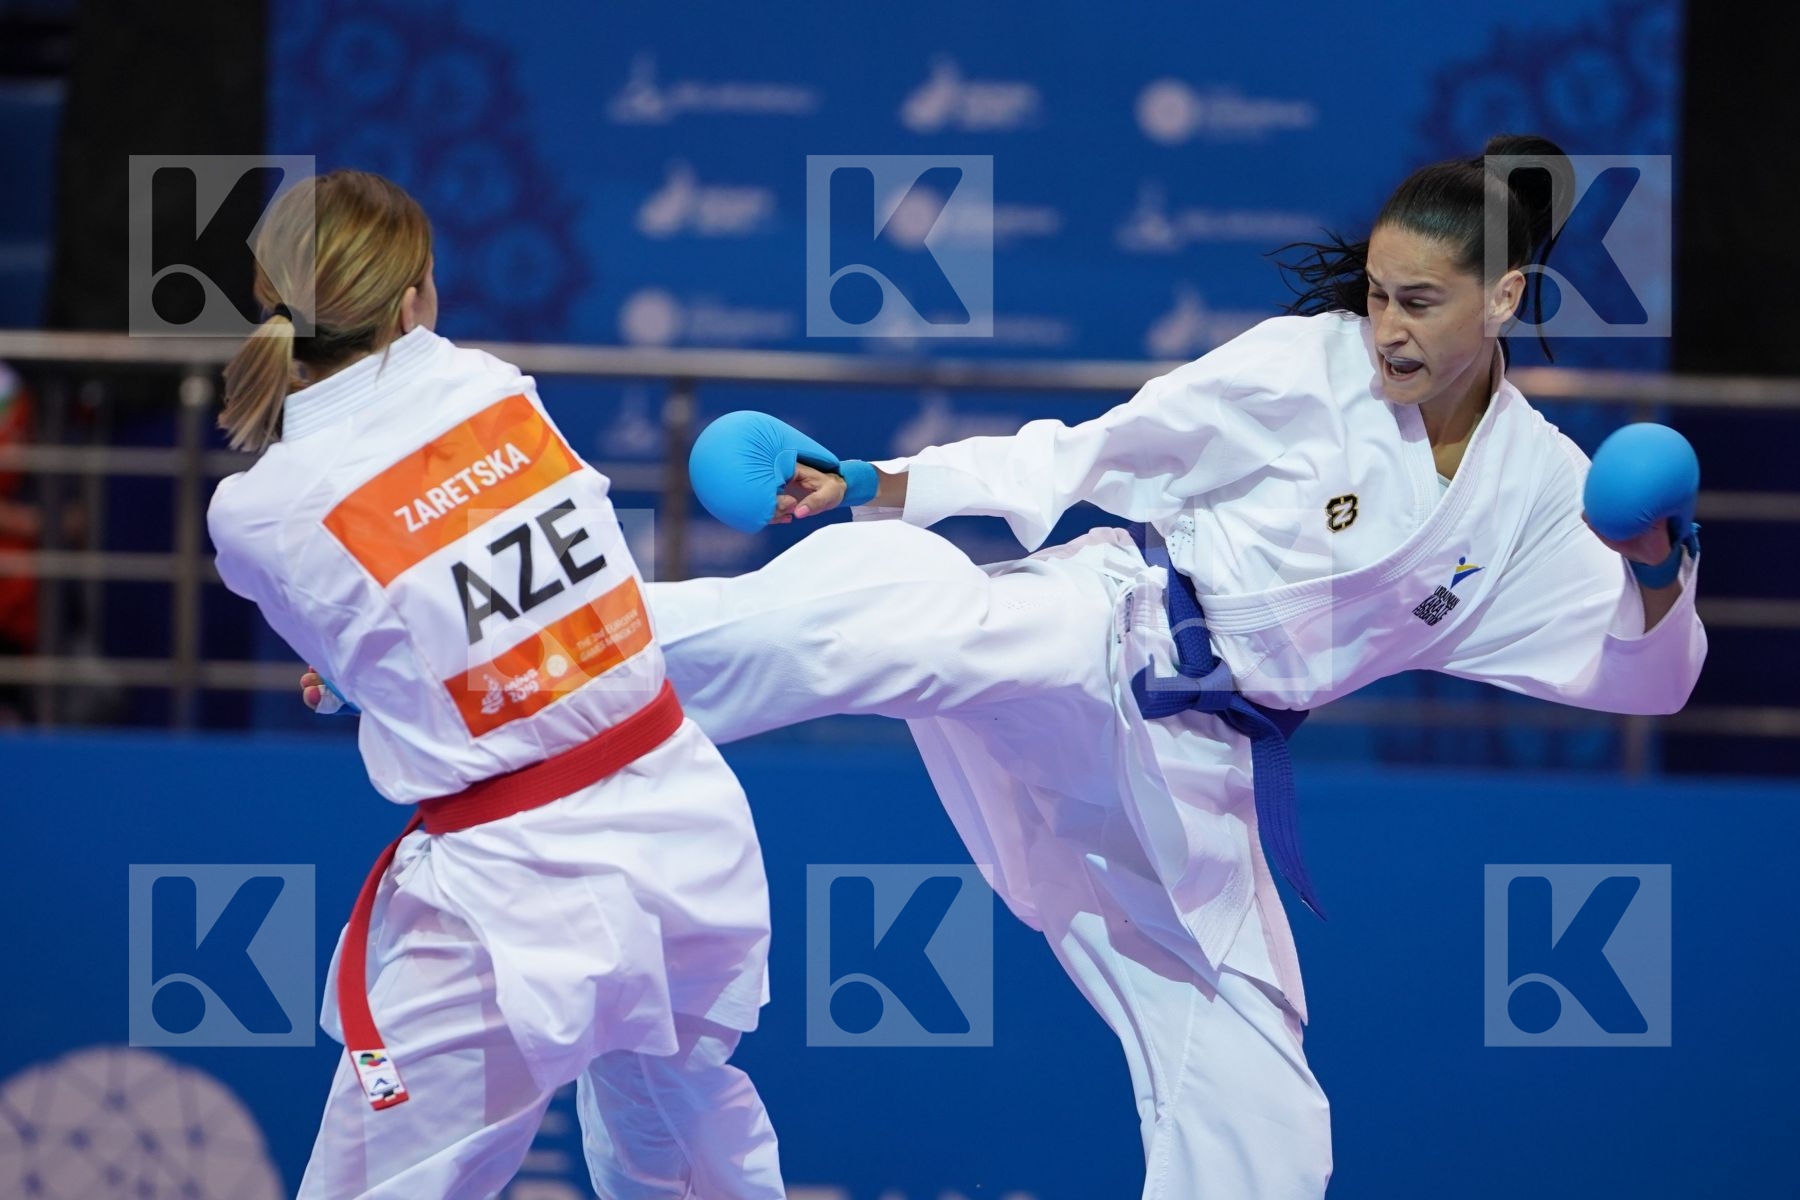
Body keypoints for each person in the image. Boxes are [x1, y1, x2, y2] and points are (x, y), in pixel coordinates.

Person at [658, 132, 1706, 1198]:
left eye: (1421, 303)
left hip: (1201, 759)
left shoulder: (1536, 488)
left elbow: (1652, 679)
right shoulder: (1309, 364)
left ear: (1503, 298)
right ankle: (584, 667)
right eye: (1379, 294)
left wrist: (1657, 565)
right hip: (1108, 625)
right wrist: (874, 481)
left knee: (1260, 1103)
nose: (1386, 329)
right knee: (903, 603)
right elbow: (1091, 452)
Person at [211, 170, 783, 1200]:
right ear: (416, 294)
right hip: (683, 834)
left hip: (509, 889)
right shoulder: (493, 387)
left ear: (266, 298)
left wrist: (349, 679)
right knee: (683, 1152)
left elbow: (362, 653)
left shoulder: (256, 512)